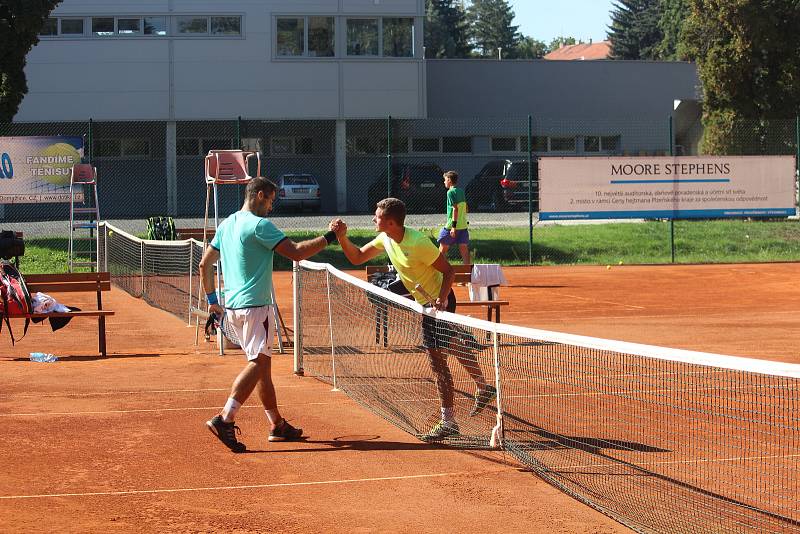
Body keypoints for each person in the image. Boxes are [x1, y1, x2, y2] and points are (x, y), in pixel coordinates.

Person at [331, 198, 496, 442]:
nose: (373, 220)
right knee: (449, 345)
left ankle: (448, 421)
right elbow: (356, 258)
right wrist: (341, 237)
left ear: (390, 222)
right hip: (424, 303)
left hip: (439, 302)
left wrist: (440, 300)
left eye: (376, 217)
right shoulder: (385, 238)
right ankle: (483, 387)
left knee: (436, 362)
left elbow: (449, 271)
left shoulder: (418, 242)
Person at [200, 176, 339, 453]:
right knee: (259, 364)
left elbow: (204, 264)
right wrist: (331, 236)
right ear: (261, 195)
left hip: (233, 308)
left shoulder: (227, 223)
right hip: (256, 307)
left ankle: (277, 424)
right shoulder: (260, 225)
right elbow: (297, 253)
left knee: (263, 369)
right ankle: (224, 419)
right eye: (271, 201)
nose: (271, 208)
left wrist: (213, 302)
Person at [437, 170, 470, 265]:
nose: (444, 182)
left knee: (441, 250)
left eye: (445, 180)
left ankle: (442, 272)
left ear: (449, 180)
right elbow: (466, 208)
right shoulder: (461, 191)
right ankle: (467, 274)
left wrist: (453, 227)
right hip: (463, 227)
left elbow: (455, 209)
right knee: (464, 251)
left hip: (451, 227)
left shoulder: (450, 192)